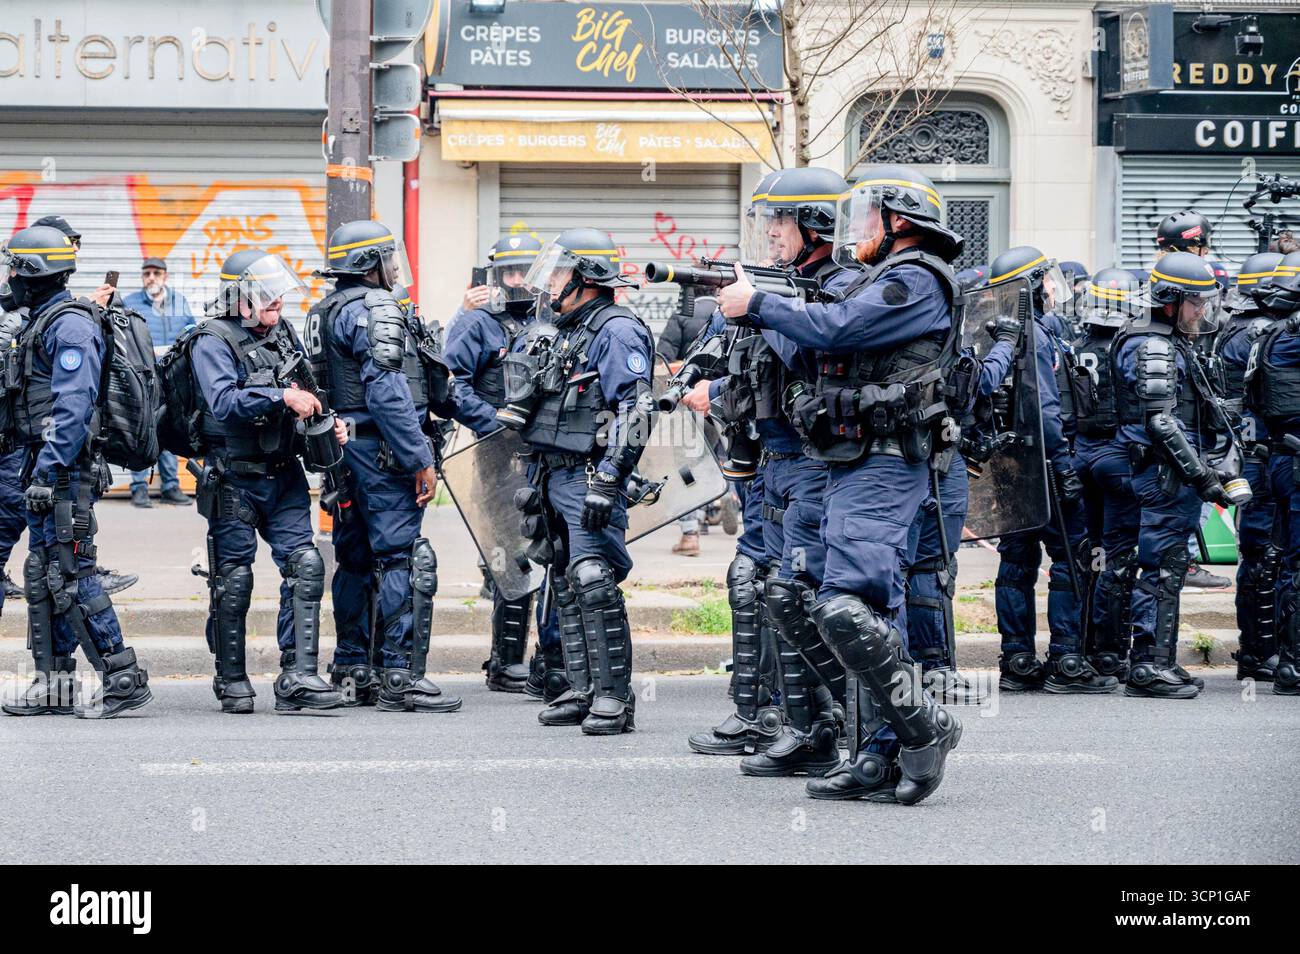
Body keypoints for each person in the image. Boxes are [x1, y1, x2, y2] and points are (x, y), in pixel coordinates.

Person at [717, 164, 965, 804]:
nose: (855, 232)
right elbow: (813, 353)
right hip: (847, 459)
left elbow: (843, 328)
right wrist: (767, 312)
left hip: (886, 460)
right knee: (806, 600)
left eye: (866, 219)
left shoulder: (916, 279)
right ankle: (877, 748)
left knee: (850, 609)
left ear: (899, 222)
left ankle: (921, 727)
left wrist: (762, 305)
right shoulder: (882, 276)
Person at [686, 167, 856, 772]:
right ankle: (782, 720)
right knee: (761, 586)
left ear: (816, 224)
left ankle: (830, 730)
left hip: (815, 464)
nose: (772, 232)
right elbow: (760, 379)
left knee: (800, 594)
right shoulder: (781, 287)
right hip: (772, 463)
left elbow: (812, 362)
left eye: (780, 220)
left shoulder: (841, 290)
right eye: (769, 221)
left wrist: (764, 309)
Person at [504, 228, 655, 735]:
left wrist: (610, 478)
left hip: (588, 475)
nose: (550, 282)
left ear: (587, 278)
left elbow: (637, 410)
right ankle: (583, 686)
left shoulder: (617, 330)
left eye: (560, 272)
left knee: (594, 581)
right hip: (550, 475)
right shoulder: (568, 328)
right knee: (567, 582)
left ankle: (615, 698)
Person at [308, 220, 460, 713]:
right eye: (389, 258)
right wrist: (420, 459)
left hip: (343, 454)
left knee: (353, 557)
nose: (396, 268)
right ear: (370, 263)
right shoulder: (376, 309)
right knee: (400, 558)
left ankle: (353, 668)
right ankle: (398, 676)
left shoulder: (323, 310)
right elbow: (388, 390)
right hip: (382, 453)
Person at [0, 224, 151, 718]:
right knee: (45, 574)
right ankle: (55, 683)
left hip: (62, 472)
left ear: (33, 273)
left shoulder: (69, 326)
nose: (9, 277)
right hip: (40, 466)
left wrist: (48, 471)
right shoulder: (42, 319)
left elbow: (74, 405)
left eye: (14, 268)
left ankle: (121, 674)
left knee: (72, 573)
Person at [185, 250, 346, 714]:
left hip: (284, 475)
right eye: (267, 296)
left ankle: (298, 677)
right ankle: (231, 680)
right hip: (234, 478)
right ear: (240, 298)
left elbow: (308, 389)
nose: (277, 303)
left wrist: (328, 422)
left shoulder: (281, 333)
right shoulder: (211, 340)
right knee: (233, 580)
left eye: (278, 295)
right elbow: (224, 402)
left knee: (307, 566)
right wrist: (281, 396)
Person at [983, 246, 1116, 694]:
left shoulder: (997, 332)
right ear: (1031, 287)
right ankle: (1066, 660)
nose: (1054, 288)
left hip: (1009, 466)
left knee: (1016, 561)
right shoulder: (1035, 335)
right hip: (1044, 466)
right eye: (1047, 280)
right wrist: (1063, 467)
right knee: (1070, 560)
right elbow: (1044, 411)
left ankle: (1017, 659)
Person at [1114, 251, 1241, 699]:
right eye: (1195, 302)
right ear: (1169, 300)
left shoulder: (1170, 340)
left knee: (1167, 568)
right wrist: (1202, 475)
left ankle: (1160, 661)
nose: (1201, 311)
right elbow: (1161, 422)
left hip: (1174, 476)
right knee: (1160, 570)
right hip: (1165, 476)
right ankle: (1148, 667)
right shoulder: (1152, 345)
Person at [443, 233, 561, 695]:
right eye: (508, 272)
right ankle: (505, 660)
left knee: (555, 554)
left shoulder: (554, 317)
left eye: (523, 271)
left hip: (549, 455)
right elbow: (451, 385)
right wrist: (493, 422)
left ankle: (550, 658)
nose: (516, 281)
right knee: (512, 558)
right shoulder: (477, 324)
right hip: (498, 457)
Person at [1213, 251, 1284, 680]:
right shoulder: (1257, 330)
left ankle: (1256, 650)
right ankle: (1260, 651)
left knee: (1258, 554)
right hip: (1258, 454)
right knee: (1264, 554)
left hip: (1246, 451)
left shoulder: (1231, 325)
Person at [1072, 268, 1144, 681]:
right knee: (1118, 556)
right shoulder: (1130, 348)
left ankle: (1080, 646)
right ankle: (1110, 651)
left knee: (1089, 555)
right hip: (1117, 461)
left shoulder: (1075, 345)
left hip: (1081, 457)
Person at [1244, 249, 1300, 696]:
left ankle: (1285, 659)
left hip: (1281, 458)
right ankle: (1294, 666)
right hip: (1293, 460)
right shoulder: (1293, 333)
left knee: (1285, 562)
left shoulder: (1272, 331)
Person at [124, 256, 195, 508]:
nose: (151, 277)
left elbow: (191, 328)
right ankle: (139, 488)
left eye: (156, 273)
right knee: (141, 428)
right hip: (142, 374)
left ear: (165, 276)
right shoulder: (131, 302)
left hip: (171, 376)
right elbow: (124, 334)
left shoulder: (179, 301)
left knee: (168, 426)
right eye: (147, 273)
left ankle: (170, 486)